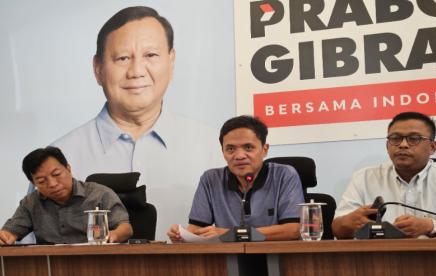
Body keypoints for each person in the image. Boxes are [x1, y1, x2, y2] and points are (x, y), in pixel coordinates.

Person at [29, 6, 222, 240]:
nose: (136, 71)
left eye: (150, 55)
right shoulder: (60, 158)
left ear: (171, 61)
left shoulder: (215, 149)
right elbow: (36, 245)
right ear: (98, 68)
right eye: (122, 58)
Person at [167, 115, 304, 242]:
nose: (239, 156)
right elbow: (197, 229)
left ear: (265, 149)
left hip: (276, 259)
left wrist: (232, 234)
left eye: (248, 147)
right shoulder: (211, 180)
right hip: (227, 261)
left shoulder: (284, 175)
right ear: (223, 152)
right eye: (231, 149)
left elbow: (293, 230)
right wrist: (183, 236)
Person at [332, 111, 436, 239]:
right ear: (387, 145)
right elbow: (337, 229)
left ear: (432, 147)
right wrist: (350, 222)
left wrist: (431, 225)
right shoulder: (364, 178)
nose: (403, 145)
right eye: (395, 138)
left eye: (414, 139)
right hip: (380, 258)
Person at [0, 147, 132, 245]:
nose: (52, 184)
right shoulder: (31, 202)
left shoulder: (99, 194)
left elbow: (125, 228)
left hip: (96, 261)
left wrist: (113, 235)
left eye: (56, 174)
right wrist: (6, 236)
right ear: (33, 183)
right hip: (50, 265)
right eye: (41, 181)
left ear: (68, 168)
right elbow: (10, 232)